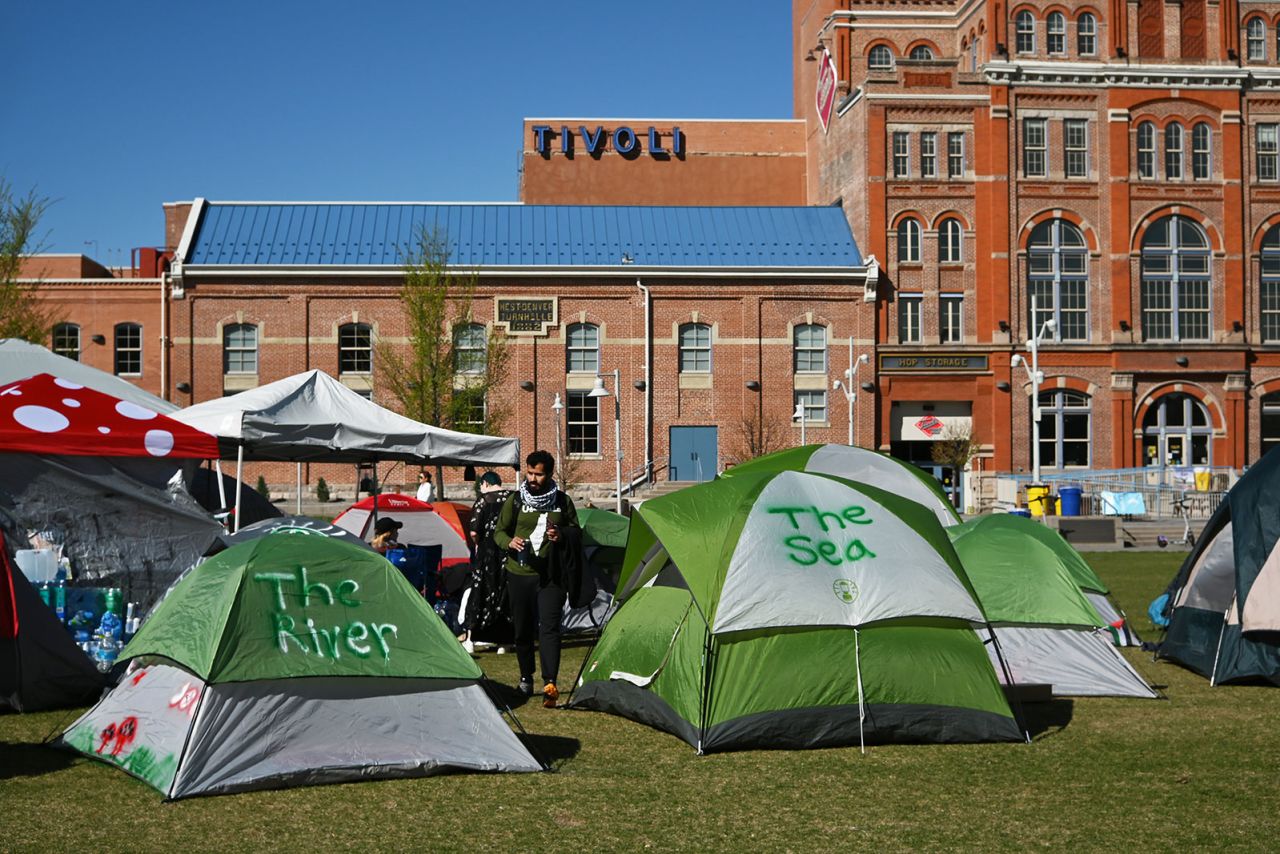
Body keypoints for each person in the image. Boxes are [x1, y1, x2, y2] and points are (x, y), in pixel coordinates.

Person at [492, 450, 580, 708]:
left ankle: (549, 683)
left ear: (550, 474)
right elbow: (498, 533)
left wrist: (561, 536)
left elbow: (576, 533)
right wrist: (510, 542)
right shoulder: (516, 500)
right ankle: (525, 679)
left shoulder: (562, 502)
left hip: (551, 576)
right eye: (530, 473)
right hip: (519, 573)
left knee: (550, 629)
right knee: (522, 630)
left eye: (538, 474)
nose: (533, 478)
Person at [459, 471, 511, 653]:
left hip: (487, 553)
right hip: (508, 552)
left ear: (486, 484)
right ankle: (503, 643)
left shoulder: (485, 500)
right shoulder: (514, 498)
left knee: (479, 592)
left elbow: (474, 531)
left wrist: (478, 544)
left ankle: (471, 639)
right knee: (505, 594)